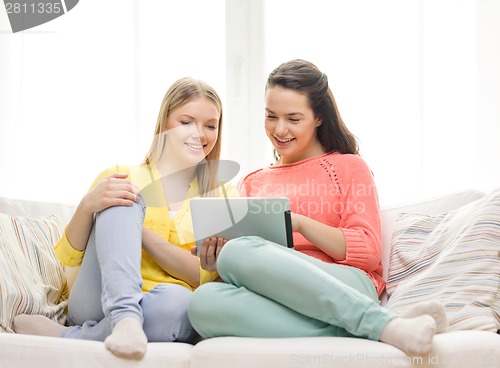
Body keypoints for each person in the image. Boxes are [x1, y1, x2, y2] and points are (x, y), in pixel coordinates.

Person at [188, 60, 448, 356]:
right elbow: (248, 268)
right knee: (202, 303)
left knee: (240, 250)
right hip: (277, 295)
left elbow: (367, 250)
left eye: (293, 119)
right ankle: (386, 326)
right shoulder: (251, 182)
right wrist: (215, 258)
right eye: (271, 116)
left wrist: (299, 224)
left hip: (345, 283)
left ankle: (368, 318)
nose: (279, 129)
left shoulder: (348, 167)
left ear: (319, 118)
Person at [13, 77, 237, 360]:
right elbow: (70, 258)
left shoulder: (224, 195)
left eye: (210, 125)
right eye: (186, 122)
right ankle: (124, 315)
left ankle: (70, 335)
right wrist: (87, 206)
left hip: (165, 306)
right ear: (165, 124)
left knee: (182, 303)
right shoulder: (121, 174)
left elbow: (198, 275)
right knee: (125, 194)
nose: (200, 134)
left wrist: (139, 233)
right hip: (97, 298)